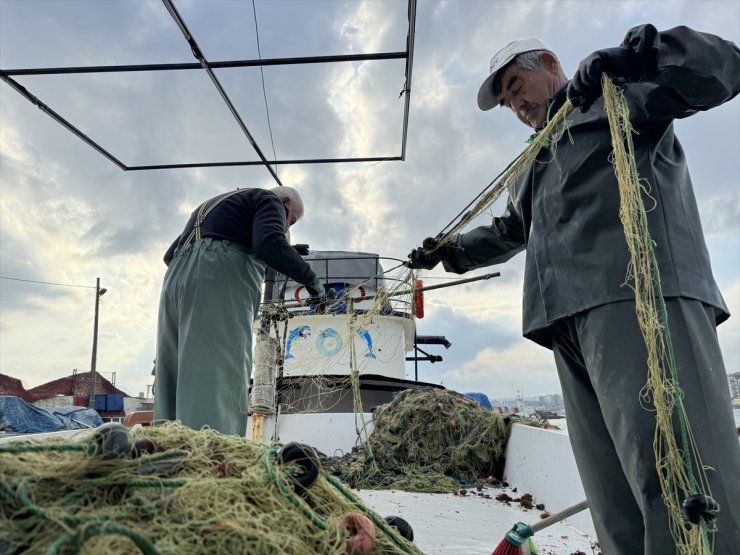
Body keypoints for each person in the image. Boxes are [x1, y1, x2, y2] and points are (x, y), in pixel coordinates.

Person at [407, 25, 740, 554]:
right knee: (611, 492)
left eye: (517, 86)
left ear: (551, 64)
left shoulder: (620, 93)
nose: (515, 104)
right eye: (507, 101)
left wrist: (642, 57)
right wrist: (447, 252)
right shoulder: (533, 157)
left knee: (679, 474)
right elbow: (513, 229)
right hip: (565, 321)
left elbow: (723, 69)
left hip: (636, 296)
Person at [154, 186, 325, 436]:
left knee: (175, 367)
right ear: (286, 201)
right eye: (291, 220)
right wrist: (311, 280)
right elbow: (268, 243)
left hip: (176, 281)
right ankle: (214, 455)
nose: (287, 227)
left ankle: (166, 447)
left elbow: (170, 255)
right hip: (218, 274)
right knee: (220, 365)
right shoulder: (269, 199)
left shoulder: (209, 206)